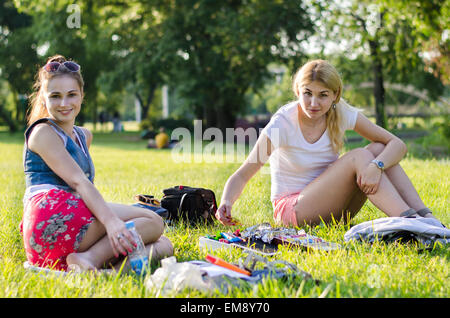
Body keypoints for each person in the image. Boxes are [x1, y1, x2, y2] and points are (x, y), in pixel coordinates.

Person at [216, 59, 444, 228]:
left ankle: (427, 218)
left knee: (377, 150)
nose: (314, 103)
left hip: (335, 208)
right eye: (307, 93)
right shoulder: (282, 124)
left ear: (335, 95)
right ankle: (411, 224)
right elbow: (244, 173)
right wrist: (226, 201)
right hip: (292, 211)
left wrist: (377, 166)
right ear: (297, 91)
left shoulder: (341, 112)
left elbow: (397, 144)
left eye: (323, 95)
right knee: (360, 156)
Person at [21, 55, 173, 272]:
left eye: (71, 94)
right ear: (43, 98)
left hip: (72, 228)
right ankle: (90, 258)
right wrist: (111, 222)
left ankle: (106, 271)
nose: (64, 103)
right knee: (154, 223)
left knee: (163, 245)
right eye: (55, 96)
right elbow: (79, 181)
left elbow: (81, 190)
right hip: (49, 225)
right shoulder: (42, 132)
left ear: (82, 95)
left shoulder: (84, 136)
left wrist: (113, 223)